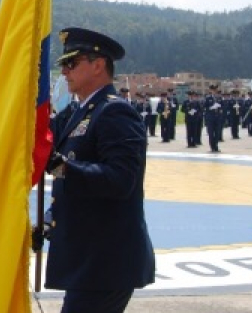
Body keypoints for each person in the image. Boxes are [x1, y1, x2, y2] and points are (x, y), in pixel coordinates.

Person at [34, 27, 155, 313]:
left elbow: (120, 180)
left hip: (107, 262)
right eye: (64, 64)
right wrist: (49, 222)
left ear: (98, 65)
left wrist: (61, 166)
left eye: (72, 63)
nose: (64, 71)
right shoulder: (80, 112)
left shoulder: (115, 112)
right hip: (89, 261)